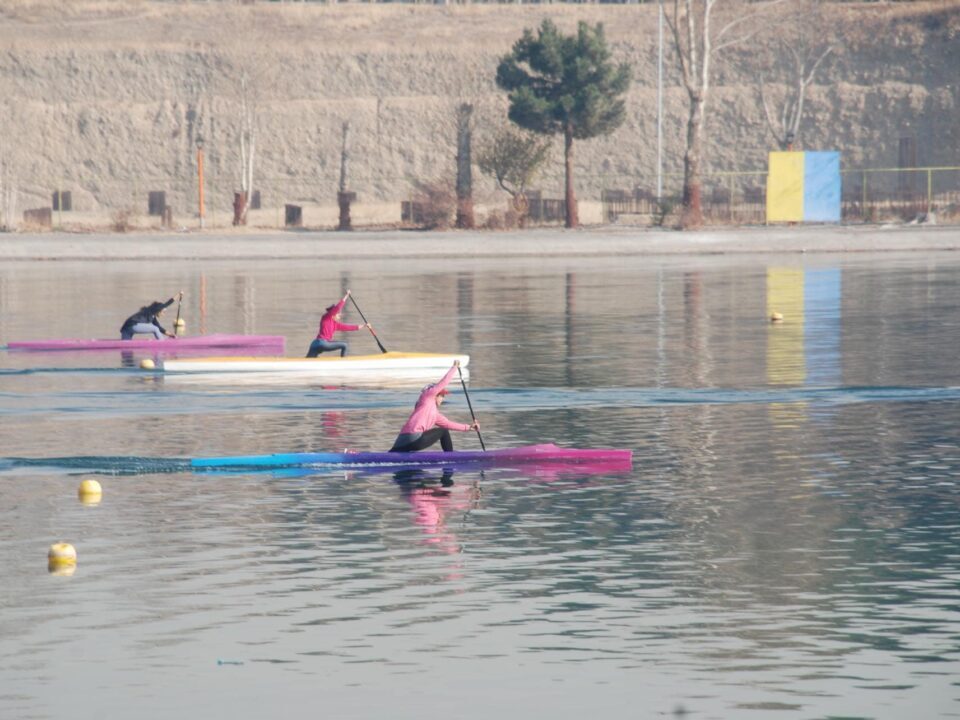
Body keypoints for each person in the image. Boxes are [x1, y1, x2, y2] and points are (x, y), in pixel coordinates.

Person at [389, 360, 479, 453]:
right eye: (442, 396)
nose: (442, 399)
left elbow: (449, 424)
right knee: (443, 431)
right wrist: (454, 367)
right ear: (435, 394)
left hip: (402, 439)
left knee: (390, 455)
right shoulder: (427, 396)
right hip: (415, 439)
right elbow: (443, 382)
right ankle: (450, 456)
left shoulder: (433, 413)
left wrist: (469, 427)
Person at [306, 289, 369, 358]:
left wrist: (364, 326)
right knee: (345, 345)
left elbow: (349, 327)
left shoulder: (335, 325)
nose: (340, 315)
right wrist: (346, 296)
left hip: (314, 344)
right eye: (338, 314)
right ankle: (343, 364)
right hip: (323, 343)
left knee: (307, 361)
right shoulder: (326, 317)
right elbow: (338, 307)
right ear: (333, 314)